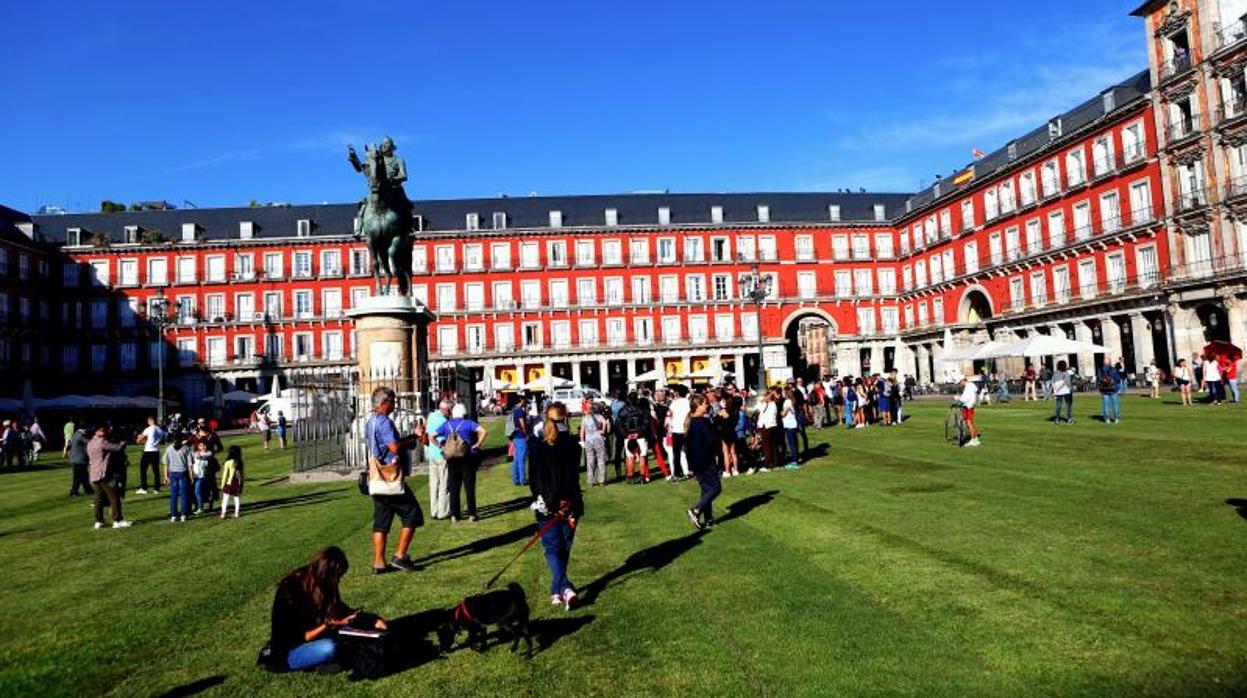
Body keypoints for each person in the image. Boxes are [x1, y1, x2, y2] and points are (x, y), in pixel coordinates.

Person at [264, 546, 387, 672]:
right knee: (329, 648)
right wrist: (327, 625)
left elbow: (339, 608)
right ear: (327, 574)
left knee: (349, 638)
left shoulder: (321, 584)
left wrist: (370, 619)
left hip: (317, 637)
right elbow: (298, 638)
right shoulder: (290, 590)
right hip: (289, 650)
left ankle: (332, 661)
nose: (338, 581)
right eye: (338, 577)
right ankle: (320, 663)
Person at [528, 403, 584, 609]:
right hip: (568, 502)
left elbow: (533, 479)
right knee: (562, 547)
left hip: (547, 503)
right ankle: (563, 587)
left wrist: (540, 496)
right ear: (565, 418)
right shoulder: (572, 445)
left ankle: (559, 588)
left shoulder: (537, 446)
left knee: (554, 548)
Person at [365, 387, 422, 573]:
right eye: (393, 401)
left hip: (377, 477)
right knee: (413, 514)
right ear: (384, 403)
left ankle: (379, 563)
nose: (394, 405)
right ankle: (400, 556)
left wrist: (412, 437)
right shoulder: (384, 422)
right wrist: (411, 439)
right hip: (390, 478)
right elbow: (394, 447)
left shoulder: (370, 421)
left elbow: (385, 446)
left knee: (381, 521)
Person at [436, 403, 488, 523]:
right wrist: (478, 444)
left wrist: (441, 446)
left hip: (452, 458)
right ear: (464, 413)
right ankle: (472, 514)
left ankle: (455, 514)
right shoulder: (468, 423)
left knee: (454, 487)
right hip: (467, 457)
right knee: (469, 486)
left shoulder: (446, 425)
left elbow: (432, 435)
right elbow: (483, 431)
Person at [88, 425, 131, 529]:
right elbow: (117, 448)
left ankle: (98, 521)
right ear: (99, 431)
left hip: (93, 474)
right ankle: (118, 520)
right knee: (114, 497)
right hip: (104, 474)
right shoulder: (102, 442)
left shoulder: (90, 442)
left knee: (98, 499)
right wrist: (123, 442)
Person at [423, 400, 452, 520]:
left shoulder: (431, 416)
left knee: (434, 484)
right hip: (441, 454)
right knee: (444, 484)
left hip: (431, 454)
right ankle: (443, 511)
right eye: (450, 410)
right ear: (446, 410)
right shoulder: (444, 421)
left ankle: (434, 510)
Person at [162, 435, 193, 522]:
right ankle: (183, 514)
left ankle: (174, 515)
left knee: (173, 495)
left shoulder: (169, 449)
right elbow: (190, 465)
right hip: (183, 473)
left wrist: (165, 476)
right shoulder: (186, 448)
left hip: (172, 473)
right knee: (184, 494)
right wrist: (191, 477)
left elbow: (165, 463)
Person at [135, 415, 166, 494]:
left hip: (148, 451)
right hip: (156, 451)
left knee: (143, 469)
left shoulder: (148, 429)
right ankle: (156, 488)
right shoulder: (160, 430)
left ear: (150, 421)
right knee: (156, 470)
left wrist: (139, 438)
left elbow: (139, 440)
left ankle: (144, 488)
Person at [580, 401, 608, 486]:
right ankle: (602, 480)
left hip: (588, 440)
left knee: (590, 461)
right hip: (599, 439)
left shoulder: (585, 418)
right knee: (601, 460)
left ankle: (590, 481)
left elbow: (582, 430)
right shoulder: (600, 417)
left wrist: (582, 440)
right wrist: (602, 430)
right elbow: (605, 425)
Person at [667, 385, 691, 481]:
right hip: (686, 429)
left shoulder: (674, 403)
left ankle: (677, 473)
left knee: (676, 453)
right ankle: (690, 469)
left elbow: (670, 413)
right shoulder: (687, 402)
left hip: (676, 429)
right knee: (689, 451)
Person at [715, 394, 740, 477]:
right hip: (732, 433)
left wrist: (721, 415)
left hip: (725, 434)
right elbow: (734, 423)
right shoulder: (736, 412)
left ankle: (727, 471)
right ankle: (736, 470)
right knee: (733, 452)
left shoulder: (724, 412)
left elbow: (716, 422)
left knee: (726, 452)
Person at [755, 389, 779, 472]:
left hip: (767, 426)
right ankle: (775, 462)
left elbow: (759, 409)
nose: (764, 397)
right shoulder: (771, 404)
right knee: (772, 445)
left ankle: (768, 464)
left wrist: (764, 400)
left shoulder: (771, 404)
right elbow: (757, 408)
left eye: (766, 396)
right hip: (770, 426)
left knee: (767, 446)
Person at [219, 445, 245, 519]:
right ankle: (237, 513)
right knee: (237, 499)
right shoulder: (240, 462)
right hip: (238, 483)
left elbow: (225, 475)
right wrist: (242, 483)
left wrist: (222, 485)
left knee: (225, 499)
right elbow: (242, 474)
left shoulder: (228, 462)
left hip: (229, 483)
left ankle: (223, 513)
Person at [508, 397, 529, 486]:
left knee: (516, 459)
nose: (526, 404)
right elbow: (522, 424)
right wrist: (526, 434)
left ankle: (515, 479)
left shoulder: (514, 409)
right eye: (526, 402)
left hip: (515, 436)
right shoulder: (519, 410)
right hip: (521, 436)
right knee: (522, 459)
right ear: (521, 400)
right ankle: (522, 479)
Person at [191, 440, 216, 514]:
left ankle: (200, 508)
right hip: (195, 475)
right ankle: (198, 506)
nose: (204, 447)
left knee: (198, 492)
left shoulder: (209, 453)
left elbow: (200, 455)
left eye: (204, 445)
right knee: (196, 492)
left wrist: (196, 453)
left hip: (202, 476)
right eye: (201, 445)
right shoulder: (195, 453)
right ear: (198, 446)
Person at [68, 424, 93, 497]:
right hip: (79, 460)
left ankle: (88, 490)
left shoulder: (75, 434)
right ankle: (73, 492)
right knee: (78, 477)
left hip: (76, 459)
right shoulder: (80, 436)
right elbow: (90, 442)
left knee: (84, 476)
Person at [956, 376, 981, 447]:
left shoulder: (968, 387)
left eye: (960, 382)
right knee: (969, 423)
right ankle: (975, 438)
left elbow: (964, 398)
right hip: (969, 406)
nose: (960, 384)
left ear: (963, 380)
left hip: (968, 406)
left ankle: (974, 439)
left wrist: (957, 398)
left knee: (969, 423)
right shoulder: (971, 386)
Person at [1098, 357, 1123, 424]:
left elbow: (1099, 379)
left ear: (1104, 362)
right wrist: (1118, 388)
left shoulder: (1100, 370)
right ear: (1110, 362)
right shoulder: (1113, 370)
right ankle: (1116, 418)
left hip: (1104, 390)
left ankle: (1107, 419)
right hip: (1113, 389)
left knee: (1105, 405)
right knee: (1115, 404)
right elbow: (1118, 379)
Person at [780, 388, 802, 469]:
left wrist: (779, 412)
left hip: (789, 424)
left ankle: (794, 461)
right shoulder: (791, 401)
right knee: (794, 443)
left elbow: (783, 414)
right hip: (791, 424)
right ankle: (796, 458)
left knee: (792, 443)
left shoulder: (787, 402)